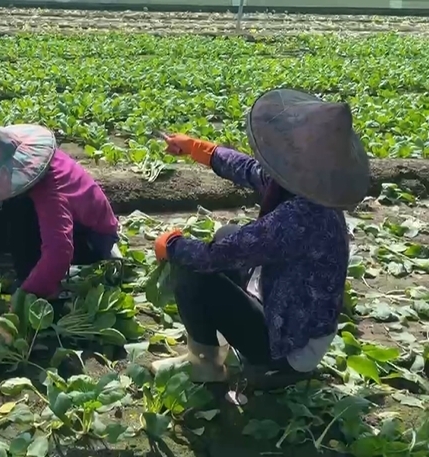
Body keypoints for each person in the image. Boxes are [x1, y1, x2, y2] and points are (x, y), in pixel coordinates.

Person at [150, 88, 370, 385]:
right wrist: (198, 148)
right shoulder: (310, 189)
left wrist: (172, 247)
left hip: (288, 348)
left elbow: (215, 256)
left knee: (192, 271)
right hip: (289, 308)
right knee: (228, 233)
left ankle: (206, 364)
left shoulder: (301, 218)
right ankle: (219, 344)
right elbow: (250, 170)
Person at [0, 124, 120, 299]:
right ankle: (2, 254)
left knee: (22, 211)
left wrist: (29, 292)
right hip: (69, 225)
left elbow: (60, 250)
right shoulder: (24, 169)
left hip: (92, 239)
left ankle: (28, 275)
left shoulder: (50, 190)